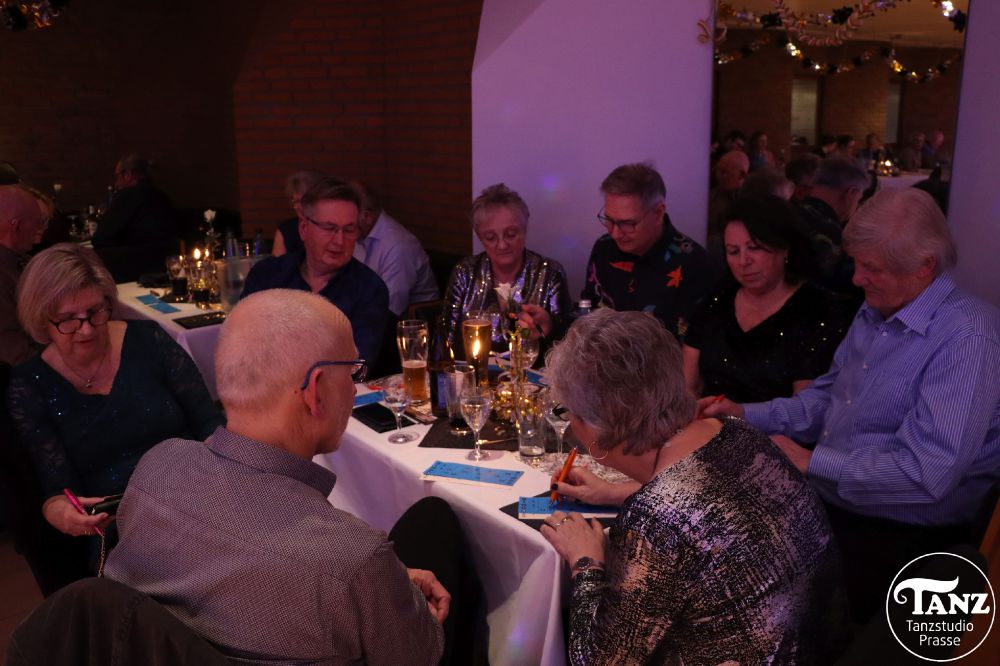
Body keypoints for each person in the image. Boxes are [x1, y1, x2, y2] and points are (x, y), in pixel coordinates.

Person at [105, 289, 476, 665]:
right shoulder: (355, 559)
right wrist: (385, 590)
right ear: (315, 391)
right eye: (352, 373)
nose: (353, 388)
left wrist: (383, 585)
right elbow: (419, 655)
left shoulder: (156, 470)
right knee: (434, 523)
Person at [703, 188, 1000, 622]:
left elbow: (927, 474)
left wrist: (813, 461)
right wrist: (747, 414)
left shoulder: (967, 337)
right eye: (857, 263)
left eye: (871, 268)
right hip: (838, 510)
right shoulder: (879, 309)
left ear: (924, 266)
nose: (857, 278)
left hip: (909, 543)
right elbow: (829, 397)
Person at [542, 309, 847, 665]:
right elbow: (712, 504)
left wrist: (586, 561)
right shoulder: (739, 433)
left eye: (567, 412)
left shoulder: (654, 521)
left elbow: (598, 660)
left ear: (595, 427)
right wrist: (613, 492)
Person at [6, 244, 222, 554]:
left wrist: (219, 467)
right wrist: (59, 512)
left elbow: (208, 421)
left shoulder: (149, 340)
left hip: (198, 494)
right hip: (123, 528)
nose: (86, 330)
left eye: (95, 312)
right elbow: (57, 489)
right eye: (68, 320)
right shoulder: (30, 385)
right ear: (42, 320)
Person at [684, 196, 851, 404]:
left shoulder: (818, 309)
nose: (743, 261)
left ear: (784, 248)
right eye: (733, 251)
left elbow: (805, 409)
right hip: (707, 420)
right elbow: (689, 385)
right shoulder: (718, 298)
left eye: (755, 248)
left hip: (776, 424)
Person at [242, 177, 390, 362]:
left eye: (349, 230)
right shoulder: (267, 276)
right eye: (330, 228)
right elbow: (240, 346)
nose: (339, 241)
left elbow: (357, 366)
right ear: (304, 228)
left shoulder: (369, 289)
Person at [581, 162, 717, 342]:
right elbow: (587, 315)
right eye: (609, 220)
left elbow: (696, 344)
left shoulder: (694, 264)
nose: (615, 233)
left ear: (658, 212)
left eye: (627, 224)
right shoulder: (604, 248)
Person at [441, 183, 570, 353]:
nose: (502, 245)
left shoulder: (549, 273)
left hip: (535, 370)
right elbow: (446, 341)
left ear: (524, 229)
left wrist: (549, 327)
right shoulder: (465, 272)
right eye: (491, 237)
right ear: (480, 237)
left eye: (511, 234)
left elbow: (568, 346)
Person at [351, 181, 439, 317]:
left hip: (410, 324)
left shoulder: (398, 245)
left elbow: (389, 309)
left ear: (366, 217)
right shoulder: (357, 236)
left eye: (347, 218)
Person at [91, 154, 179, 282]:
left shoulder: (127, 196)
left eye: (117, 176)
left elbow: (100, 238)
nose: (116, 184)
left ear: (128, 175)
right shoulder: (162, 196)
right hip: (165, 268)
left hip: (133, 271)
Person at [794, 155, 869, 297]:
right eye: (859, 199)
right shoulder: (834, 237)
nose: (857, 206)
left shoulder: (787, 213)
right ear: (851, 193)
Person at [0, 185, 47, 366]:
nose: (41, 230)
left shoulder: (22, 261)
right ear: (17, 226)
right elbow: (13, 353)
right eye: (38, 222)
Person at [706, 150, 749, 258]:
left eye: (725, 172)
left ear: (741, 175)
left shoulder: (750, 202)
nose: (719, 176)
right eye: (718, 171)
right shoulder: (708, 197)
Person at [272, 169, 325, 257]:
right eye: (294, 201)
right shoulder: (287, 229)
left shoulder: (329, 227)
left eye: (299, 201)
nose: (295, 207)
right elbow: (276, 264)